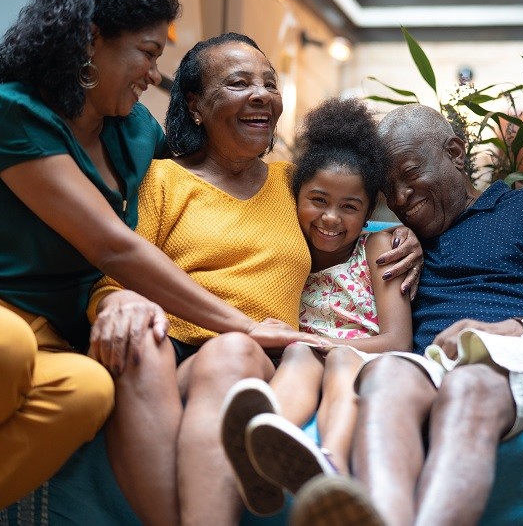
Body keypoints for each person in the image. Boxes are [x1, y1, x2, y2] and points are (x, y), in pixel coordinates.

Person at [0, 0, 275, 526]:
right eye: (146, 52)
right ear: (91, 40)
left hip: (41, 341)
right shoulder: (10, 113)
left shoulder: (137, 131)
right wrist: (244, 324)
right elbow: (114, 247)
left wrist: (380, 235)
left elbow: (201, 188)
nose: (153, 75)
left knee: (89, 389)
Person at [86, 36, 420, 526]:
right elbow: (118, 271)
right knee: (140, 340)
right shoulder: (163, 181)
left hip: (257, 360)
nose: (262, 94)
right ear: (195, 105)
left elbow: (346, 212)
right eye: (240, 83)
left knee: (231, 351)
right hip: (171, 359)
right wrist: (116, 301)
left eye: (269, 83)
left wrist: (399, 230)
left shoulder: (292, 185)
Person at [290, 103, 523, 526]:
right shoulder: (398, 244)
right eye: (388, 188)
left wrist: (510, 329)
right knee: (386, 376)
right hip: (424, 363)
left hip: (513, 352)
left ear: (454, 152)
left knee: (470, 382)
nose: (400, 198)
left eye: (411, 174)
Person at [218, 97, 414, 507]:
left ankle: (332, 463)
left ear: (367, 215)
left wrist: (316, 343)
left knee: (336, 359)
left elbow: (397, 341)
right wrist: (302, 344)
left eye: (350, 207)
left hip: (363, 358)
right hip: (301, 354)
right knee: (297, 359)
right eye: (318, 200)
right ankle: (261, 447)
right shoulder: (285, 245)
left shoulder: (380, 246)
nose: (330, 218)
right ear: (296, 197)